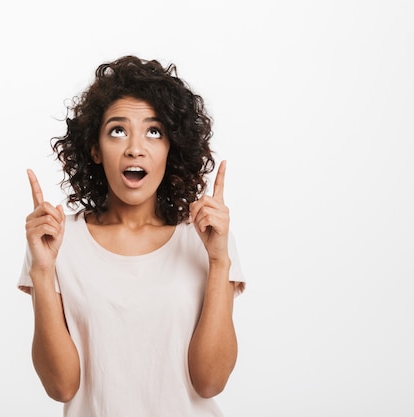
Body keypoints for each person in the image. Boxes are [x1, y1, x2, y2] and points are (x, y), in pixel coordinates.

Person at [17, 55, 245, 417]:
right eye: (117, 130)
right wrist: (42, 272)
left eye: (154, 131)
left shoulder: (204, 238)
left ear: (172, 149)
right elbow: (60, 386)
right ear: (94, 149)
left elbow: (211, 382)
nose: (135, 148)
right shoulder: (58, 242)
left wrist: (219, 261)